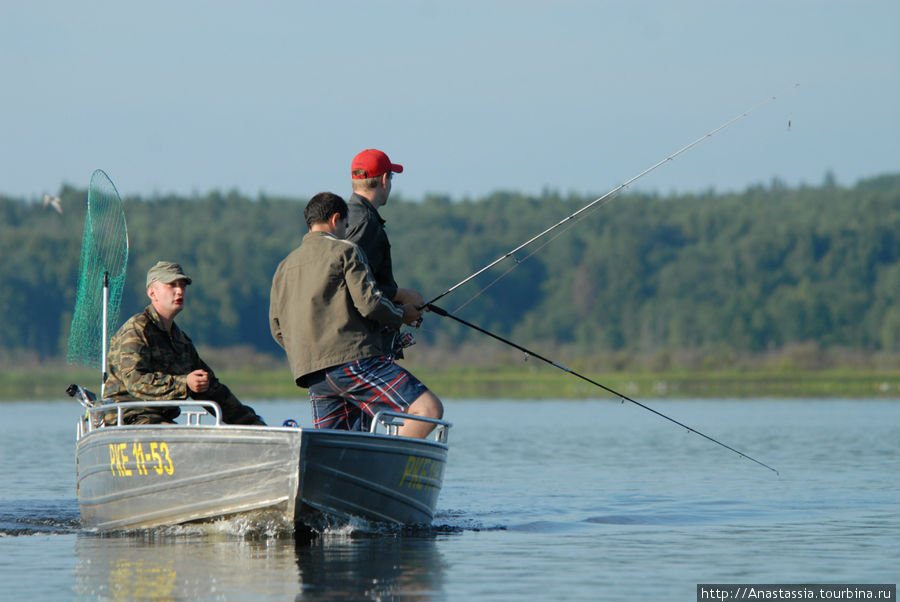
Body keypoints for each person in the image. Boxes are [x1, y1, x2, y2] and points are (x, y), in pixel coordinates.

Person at [269, 192, 443, 439]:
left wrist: (308, 354)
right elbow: (370, 304)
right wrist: (402, 314)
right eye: (346, 225)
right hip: (353, 362)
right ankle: (387, 470)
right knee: (428, 409)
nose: (346, 231)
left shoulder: (284, 266)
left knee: (341, 445)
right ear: (336, 219)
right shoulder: (346, 251)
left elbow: (277, 328)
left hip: (312, 375)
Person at [103, 261, 266, 426]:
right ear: (152, 293)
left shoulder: (180, 340)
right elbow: (136, 381)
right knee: (174, 435)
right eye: (172, 285)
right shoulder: (137, 329)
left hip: (160, 421)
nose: (179, 291)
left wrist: (252, 424)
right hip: (126, 419)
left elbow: (211, 390)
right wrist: (185, 383)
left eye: (183, 286)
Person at [346, 149, 426, 346]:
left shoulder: (345, 215)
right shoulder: (366, 223)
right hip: (361, 342)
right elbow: (357, 285)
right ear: (383, 179)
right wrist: (402, 297)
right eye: (391, 178)